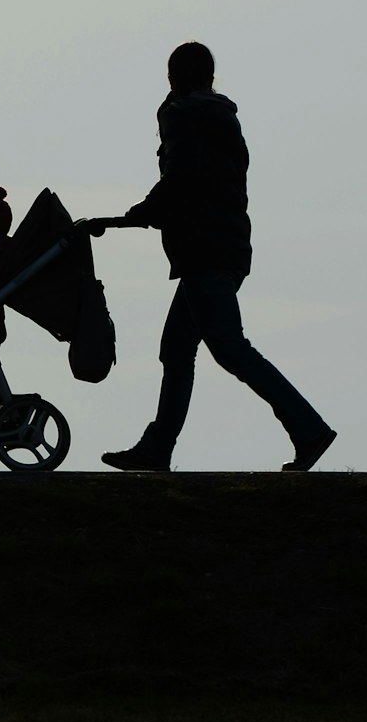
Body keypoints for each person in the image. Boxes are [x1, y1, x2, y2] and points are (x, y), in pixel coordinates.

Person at [83, 41, 334, 472]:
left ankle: (308, 429)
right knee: (177, 350)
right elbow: (209, 181)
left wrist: (136, 215)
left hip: (205, 251)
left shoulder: (183, 114)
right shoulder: (222, 117)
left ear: (173, 77)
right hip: (226, 245)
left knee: (230, 349)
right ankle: (158, 447)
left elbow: (182, 178)